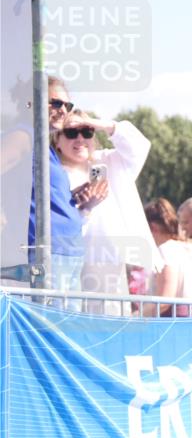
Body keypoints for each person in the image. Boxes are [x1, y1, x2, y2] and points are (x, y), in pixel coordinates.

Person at [50, 111, 162, 315]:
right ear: (57, 140)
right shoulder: (53, 172)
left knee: (112, 323)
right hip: (71, 261)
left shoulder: (108, 162)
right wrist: (85, 208)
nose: (80, 138)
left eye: (86, 131)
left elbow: (139, 145)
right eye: (71, 132)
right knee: (75, 322)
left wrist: (95, 122)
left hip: (111, 262)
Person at [27, 77, 91, 309]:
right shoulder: (25, 135)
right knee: (50, 332)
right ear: (32, 101)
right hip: (48, 253)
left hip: (68, 253)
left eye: (68, 105)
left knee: (65, 330)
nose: (63, 110)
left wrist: (78, 198)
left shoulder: (46, 146)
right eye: (55, 103)